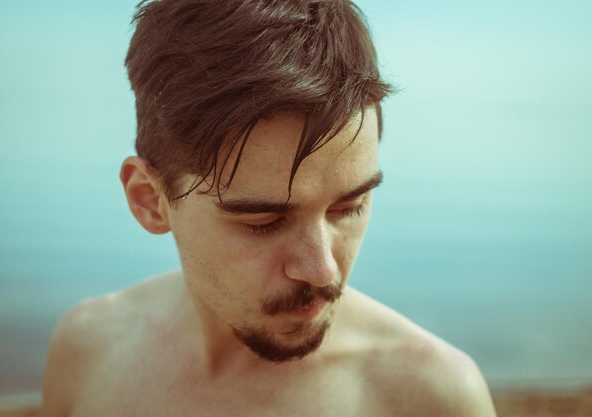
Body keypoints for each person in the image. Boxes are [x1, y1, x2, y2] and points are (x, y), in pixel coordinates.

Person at [42, 0, 497, 415]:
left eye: (349, 207)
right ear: (149, 200)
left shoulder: (429, 396)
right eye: (265, 222)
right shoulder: (89, 349)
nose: (322, 271)